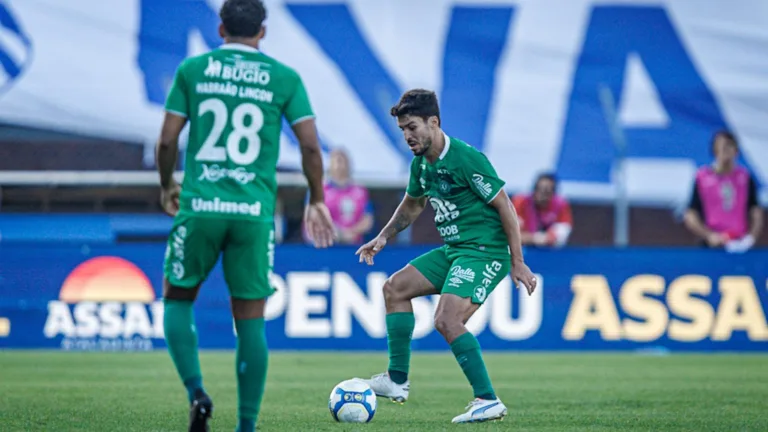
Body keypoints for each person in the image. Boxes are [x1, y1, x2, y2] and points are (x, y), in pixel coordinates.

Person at [154, 1, 334, 431]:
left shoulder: (193, 70)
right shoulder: (284, 77)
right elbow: (310, 146)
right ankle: (246, 426)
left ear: (220, 28)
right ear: (263, 32)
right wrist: (317, 198)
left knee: (178, 297)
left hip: (200, 206)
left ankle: (197, 392)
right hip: (254, 214)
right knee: (250, 320)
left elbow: (166, 141)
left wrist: (166, 185)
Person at [355, 89, 537, 424]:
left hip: (484, 251)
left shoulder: (467, 158)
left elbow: (506, 207)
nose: (407, 136)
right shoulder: (421, 165)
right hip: (455, 250)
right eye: (403, 130)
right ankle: (397, 380)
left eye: (412, 127)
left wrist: (517, 260)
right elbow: (413, 204)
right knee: (394, 288)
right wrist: (383, 236)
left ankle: (487, 399)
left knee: (446, 320)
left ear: (433, 122)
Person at [684, 130, 763, 252]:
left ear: (736, 151)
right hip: (712, 244)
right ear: (714, 151)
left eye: (729, 146)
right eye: (721, 147)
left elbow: (756, 211)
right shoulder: (702, 177)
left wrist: (751, 238)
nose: (725, 151)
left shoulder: (745, 177)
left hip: (739, 243)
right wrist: (708, 235)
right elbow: (690, 214)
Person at [304, 148, 374, 244]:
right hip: (323, 245)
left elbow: (368, 219)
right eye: (337, 161)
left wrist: (351, 232)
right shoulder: (319, 190)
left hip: (351, 245)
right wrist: (337, 233)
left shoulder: (360, 191)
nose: (340, 166)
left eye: (342, 161)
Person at [511, 173, 573, 248]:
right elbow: (511, 235)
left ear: (553, 193)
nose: (542, 195)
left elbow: (558, 238)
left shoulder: (561, 205)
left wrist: (534, 238)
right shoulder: (520, 202)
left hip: (547, 253)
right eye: (539, 190)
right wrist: (535, 238)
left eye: (547, 192)